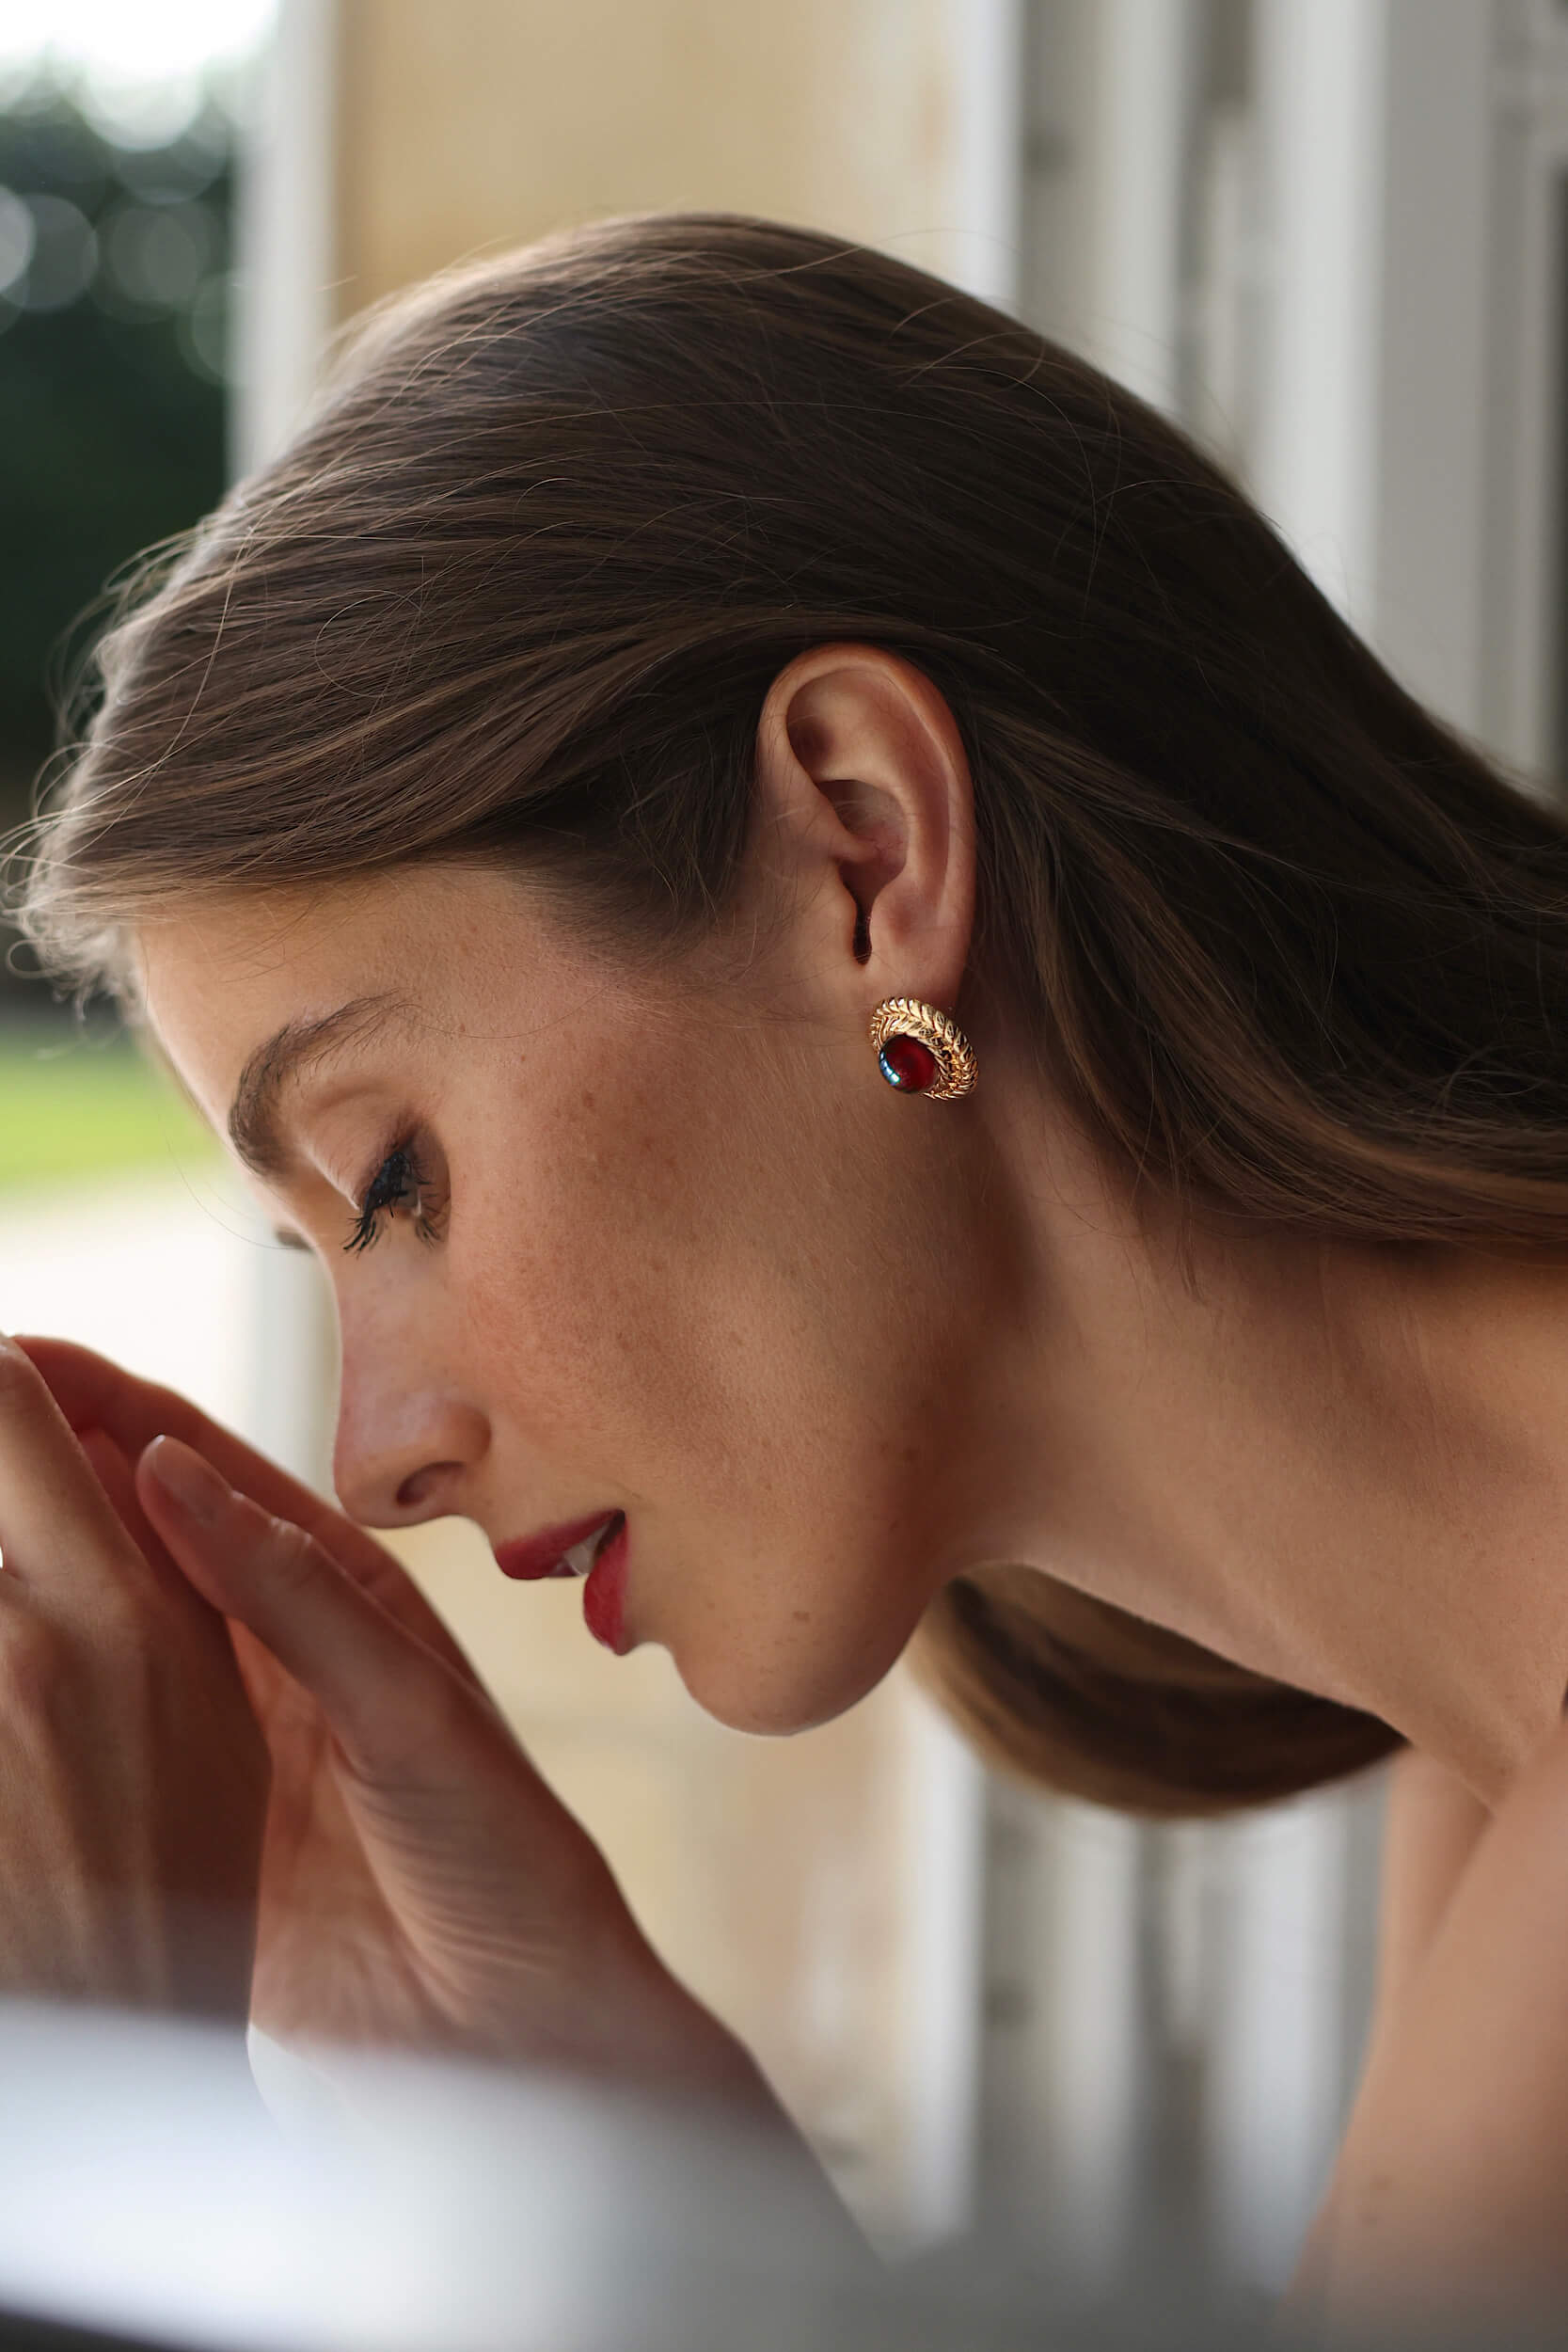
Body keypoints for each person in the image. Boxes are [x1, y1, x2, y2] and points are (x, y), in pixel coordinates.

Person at [6, 212, 1568, 2335]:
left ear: (864, 851)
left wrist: (85, 2131)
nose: (376, 1462)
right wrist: (633, 2148)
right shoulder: (1478, 1768)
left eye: (393, 1182)